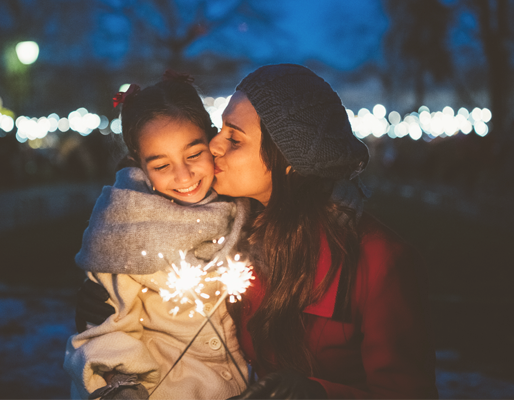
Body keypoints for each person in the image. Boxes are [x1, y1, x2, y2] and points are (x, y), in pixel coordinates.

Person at [76, 64, 438, 399]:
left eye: (234, 139)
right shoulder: (240, 234)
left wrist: (320, 394)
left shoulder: (378, 261)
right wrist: (109, 312)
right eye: (220, 129)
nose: (212, 144)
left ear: (288, 163)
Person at [64, 71, 250, 400]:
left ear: (211, 140)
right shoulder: (124, 230)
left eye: (193, 155)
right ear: (139, 164)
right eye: (162, 165)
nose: (184, 175)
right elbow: (107, 330)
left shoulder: (242, 203)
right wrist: (121, 386)